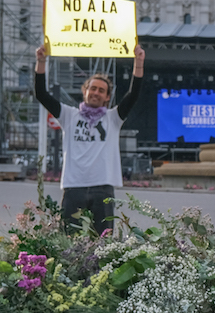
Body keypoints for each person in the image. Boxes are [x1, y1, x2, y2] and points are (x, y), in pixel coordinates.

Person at [34, 42, 145, 235]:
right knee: (70, 240)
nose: (96, 93)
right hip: (74, 186)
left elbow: (133, 94)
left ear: (107, 97)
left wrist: (139, 63)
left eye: (101, 90)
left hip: (103, 187)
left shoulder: (113, 118)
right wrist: (41, 62)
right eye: (92, 88)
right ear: (85, 91)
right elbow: (42, 95)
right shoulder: (68, 115)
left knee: (103, 242)